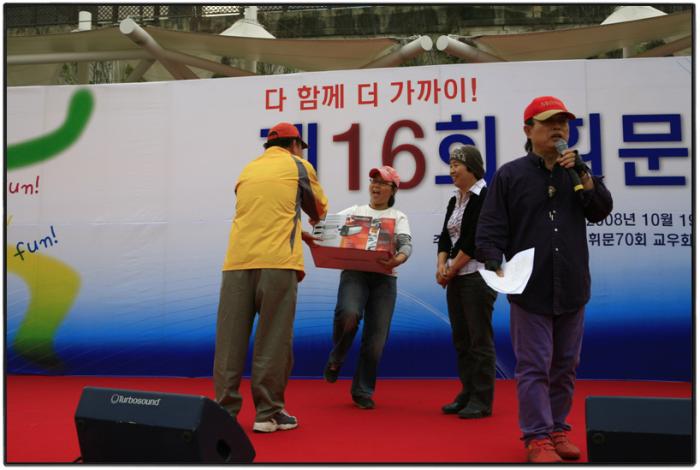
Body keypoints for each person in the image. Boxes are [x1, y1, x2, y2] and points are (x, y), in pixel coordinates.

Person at [476, 96, 613, 463]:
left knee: (565, 365)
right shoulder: (510, 175)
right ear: (528, 130)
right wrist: (493, 260)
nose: (558, 129)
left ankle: (557, 429)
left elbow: (600, 210)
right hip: (529, 286)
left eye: (563, 123)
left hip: (571, 284)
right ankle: (537, 437)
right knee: (535, 365)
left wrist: (584, 175)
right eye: (549, 123)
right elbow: (491, 225)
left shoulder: (577, 172)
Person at [213, 122, 328, 433]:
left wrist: (297, 231)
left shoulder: (248, 170)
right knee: (273, 340)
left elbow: (263, 215)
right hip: (277, 263)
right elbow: (318, 209)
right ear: (294, 145)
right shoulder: (299, 166)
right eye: (301, 147)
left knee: (229, 342)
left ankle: (223, 413)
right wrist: (308, 225)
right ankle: (268, 413)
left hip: (236, 263)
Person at [322, 165, 412, 410]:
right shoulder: (354, 212)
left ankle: (362, 390)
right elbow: (327, 229)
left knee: (376, 340)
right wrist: (319, 227)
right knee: (349, 314)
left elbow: (405, 245)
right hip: (355, 274)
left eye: (382, 183)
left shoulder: (398, 217)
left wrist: (397, 259)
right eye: (373, 181)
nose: (376, 186)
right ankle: (337, 356)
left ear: (393, 189)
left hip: (385, 279)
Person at [436, 145, 498, 419]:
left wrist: (450, 270)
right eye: (450, 165)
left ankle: (482, 399)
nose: (451, 171)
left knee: (479, 340)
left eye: (456, 165)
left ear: (472, 167)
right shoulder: (455, 199)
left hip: (477, 275)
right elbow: (445, 236)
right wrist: (441, 265)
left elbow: (473, 240)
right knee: (461, 339)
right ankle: (467, 392)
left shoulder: (485, 196)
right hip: (456, 276)